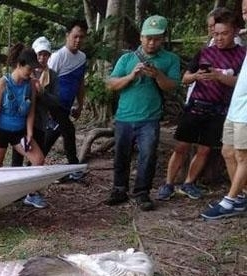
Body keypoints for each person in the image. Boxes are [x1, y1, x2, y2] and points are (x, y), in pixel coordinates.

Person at [157, 9, 245, 201]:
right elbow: (185, 78)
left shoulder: (242, 55)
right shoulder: (205, 52)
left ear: (235, 32)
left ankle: (189, 183)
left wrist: (220, 77)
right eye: (216, 34)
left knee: (204, 149)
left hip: (220, 109)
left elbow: (241, 82)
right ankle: (168, 183)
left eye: (224, 34)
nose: (219, 38)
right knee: (181, 146)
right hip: (196, 105)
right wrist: (196, 76)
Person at [105, 15, 181, 211]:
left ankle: (142, 192)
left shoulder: (170, 59)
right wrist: (131, 76)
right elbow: (112, 84)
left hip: (150, 117)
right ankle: (119, 188)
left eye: (156, 38)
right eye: (148, 37)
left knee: (147, 155)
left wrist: (157, 75)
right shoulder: (127, 58)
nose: (151, 42)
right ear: (140, 37)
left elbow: (171, 86)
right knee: (121, 154)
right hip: (124, 116)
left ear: (163, 38)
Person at [201, 0, 247, 220]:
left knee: (243, 155)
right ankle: (241, 196)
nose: (246, 13)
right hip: (236, 106)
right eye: (245, 10)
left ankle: (230, 200)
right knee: (227, 152)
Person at [0, 43, 46, 208]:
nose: (32, 73)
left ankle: (31, 194)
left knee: (38, 159)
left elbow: (31, 111)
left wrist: (29, 134)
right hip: (0, 131)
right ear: (19, 65)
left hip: (19, 132)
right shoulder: (2, 84)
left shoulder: (30, 86)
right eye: (29, 69)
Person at [45, 19, 88, 180]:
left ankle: (33, 166)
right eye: (75, 36)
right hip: (55, 106)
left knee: (57, 135)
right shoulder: (58, 57)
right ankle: (73, 168)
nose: (78, 40)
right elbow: (46, 83)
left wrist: (80, 104)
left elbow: (80, 83)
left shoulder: (82, 58)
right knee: (67, 132)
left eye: (81, 37)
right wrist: (47, 109)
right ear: (67, 35)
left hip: (67, 106)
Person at [11, 36, 60, 167]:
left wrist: (42, 93)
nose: (42, 58)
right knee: (18, 157)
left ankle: (31, 185)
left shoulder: (53, 76)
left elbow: (56, 101)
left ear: (49, 56)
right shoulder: (25, 73)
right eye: (40, 54)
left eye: (46, 55)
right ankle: (16, 184)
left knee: (37, 157)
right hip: (22, 121)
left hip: (41, 122)